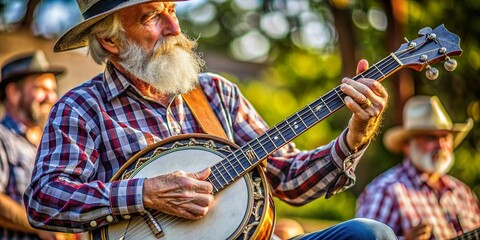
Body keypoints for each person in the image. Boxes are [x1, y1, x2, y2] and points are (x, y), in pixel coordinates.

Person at [24, 1, 396, 239]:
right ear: (110, 41)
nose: (173, 27)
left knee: (370, 234)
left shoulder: (217, 94)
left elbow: (290, 179)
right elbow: (43, 199)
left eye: (171, 8)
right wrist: (146, 193)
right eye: (153, 16)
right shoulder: (82, 107)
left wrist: (356, 134)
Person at [356, 95, 480, 240]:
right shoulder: (386, 190)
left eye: (445, 137)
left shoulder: (462, 193)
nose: (441, 145)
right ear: (408, 145)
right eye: (431, 137)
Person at [0, 50, 67, 239]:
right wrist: (41, 227)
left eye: (53, 90)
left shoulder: (52, 145)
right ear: (13, 93)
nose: (51, 97)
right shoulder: (2, 138)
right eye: (41, 89)